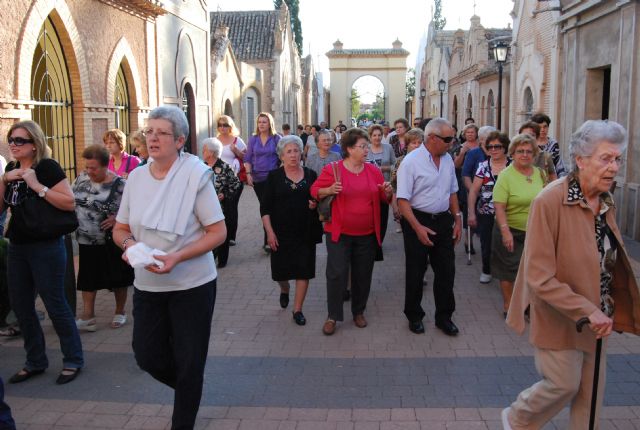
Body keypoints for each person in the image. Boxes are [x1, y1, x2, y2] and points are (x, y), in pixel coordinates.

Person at [502, 120, 639, 429]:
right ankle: (518, 418)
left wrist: (608, 306)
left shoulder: (606, 200)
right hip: (561, 317)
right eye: (605, 158)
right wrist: (587, 310)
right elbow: (539, 277)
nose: (614, 167)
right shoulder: (550, 200)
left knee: (589, 401)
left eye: (617, 159)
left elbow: (608, 259)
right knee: (564, 384)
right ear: (580, 159)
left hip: (599, 318)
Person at [112, 106, 226, 429]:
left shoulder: (195, 175)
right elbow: (119, 229)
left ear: (180, 140)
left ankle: (184, 415)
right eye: (149, 132)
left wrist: (178, 256)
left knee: (190, 360)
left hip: (193, 284)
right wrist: (128, 245)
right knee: (146, 355)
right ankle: (191, 387)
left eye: (161, 133)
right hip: (148, 284)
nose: (152, 138)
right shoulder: (135, 178)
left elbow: (218, 232)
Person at [2, 120, 83, 385]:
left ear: (34, 144)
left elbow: (69, 202)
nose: (13, 145)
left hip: (46, 245)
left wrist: (37, 185)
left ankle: (73, 359)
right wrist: (4, 180)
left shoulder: (47, 167)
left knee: (55, 304)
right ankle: (35, 360)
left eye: (19, 141)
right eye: (11, 140)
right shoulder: (12, 168)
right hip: (18, 245)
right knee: (21, 305)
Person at [310, 128, 393, 335]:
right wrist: (328, 190)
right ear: (349, 148)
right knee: (337, 274)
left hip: (366, 234)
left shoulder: (372, 170)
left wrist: (387, 194)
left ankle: (358, 311)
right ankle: (333, 316)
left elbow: (383, 199)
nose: (366, 150)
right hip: (339, 233)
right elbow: (314, 190)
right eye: (362, 146)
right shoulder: (333, 169)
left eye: (366, 146)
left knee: (363, 274)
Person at [396, 118, 462, 336]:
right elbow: (403, 201)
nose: (452, 143)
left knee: (446, 271)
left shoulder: (448, 160)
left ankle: (444, 317)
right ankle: (414, 315)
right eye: (447, 139)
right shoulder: (411, 162)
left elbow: (452, 191)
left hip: (443, 221)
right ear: (432, 138)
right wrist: (417, 228)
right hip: (417, 220)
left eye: (452, 138)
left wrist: (457, 219)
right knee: (416, 271)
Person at [261, 135, 323, 326]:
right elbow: (265, 209)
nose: (293, 155)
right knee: (280, 273)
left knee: (303, 271)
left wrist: (315, 205)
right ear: (281, 155)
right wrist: (270, 233)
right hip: (280, 232)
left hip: (305, 230)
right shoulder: (273, 177)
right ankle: (285, 289)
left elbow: (320, 200)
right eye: (289, 152)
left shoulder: (311, 175)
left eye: (296, 150)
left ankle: (297, 310)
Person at [72, 145, 134, 332]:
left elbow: (134, 210)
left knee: (118, 278)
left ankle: (120, 311)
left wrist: (116, 219)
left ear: (106, 166)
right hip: (86, 238)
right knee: (87, 279)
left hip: (111, 240)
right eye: (87, 167)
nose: (89, 171)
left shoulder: (120, 185)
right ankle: (88, 316)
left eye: (94, 168)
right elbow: (71, 198)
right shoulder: (81, 179)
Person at [492, 134, 545, 318]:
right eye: (520, 151)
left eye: (529, 151)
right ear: (512, 153)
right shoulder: (506, 176)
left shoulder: (539, 173)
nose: (525, 155)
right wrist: (505, 231)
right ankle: (508, 305)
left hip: (534, 231)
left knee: (531, 269)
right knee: (508, 270)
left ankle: (527, 303)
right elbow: (499, 206)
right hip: (509, 229)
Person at [467, 132, 510, 284]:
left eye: (497, 146)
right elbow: (473, 191)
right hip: (487, 212)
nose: (493, 149)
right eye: (490, 147)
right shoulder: (483, 167)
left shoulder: (512, 166)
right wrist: (471, 213)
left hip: (509, 213)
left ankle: (506, 273)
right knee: (487, 242)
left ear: (504, 147)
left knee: (507, 244)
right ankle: (487, 269)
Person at [202, 138, 241, 268]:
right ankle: (210, 256)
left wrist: (224, 194)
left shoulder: (224, 167)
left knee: (221, 232)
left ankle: (222, 260)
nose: (202, 151)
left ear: (212, 152)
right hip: (204, 207)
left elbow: (236, 184)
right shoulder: (201, 166)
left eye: (205, 149)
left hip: (221, 207)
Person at [244, 112, 281, 253]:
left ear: (269, 123)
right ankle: (269, 237)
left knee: (269, 206)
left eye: (264, 122)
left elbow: (282, 157)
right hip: (258, 178)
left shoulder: (277, 138)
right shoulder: (253, 139)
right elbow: (247, 158)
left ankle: (269, 239)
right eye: (260, 122)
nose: (261, 124)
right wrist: (248, 174)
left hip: (273, 178)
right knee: (265, 206)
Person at [367, 124, 396, 261]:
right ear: (370, 137)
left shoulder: (388, 148)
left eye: (379, 135)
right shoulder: (365, 149)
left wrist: (382, 168)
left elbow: (394, 165)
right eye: (374, 135)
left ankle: (379, 241)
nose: (377, 138)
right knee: (370, 217)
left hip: (384, 187)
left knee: (383, 216)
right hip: (368, 187)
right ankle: (372, 242)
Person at [216, 115, 246, 247]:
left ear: (230, 126)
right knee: (220, 208)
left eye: (225, 125)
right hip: (217, 181)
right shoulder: (214, 141)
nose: (223, 127)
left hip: (234, 180)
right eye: (220, 125)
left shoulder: (237, 141)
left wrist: (237, 151)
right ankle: (221, 235)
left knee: (231, 207)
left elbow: (246, 157)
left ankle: (231, 236)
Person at [391, 128, 425, 233]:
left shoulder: (429, 160)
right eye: (413, 143)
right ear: (407, 145)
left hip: (424, 206)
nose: (417, 145)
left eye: (420, 143)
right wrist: (395, 206)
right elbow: (394, 186)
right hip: (407, 205)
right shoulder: (401, 161)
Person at [453, 123, 480, 254]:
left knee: (478, 210)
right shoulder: (460, 147)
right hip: (464, 182)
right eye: (467, 132)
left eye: (472, 132)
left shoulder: (482, 146)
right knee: (468, 210)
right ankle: (467, 240)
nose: (470, 134)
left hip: (480, 181)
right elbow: (456, 165)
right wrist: (462, 153)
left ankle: (473, 235)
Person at [531, 112, 567, 177]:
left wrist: (562, 180)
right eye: (539, 127)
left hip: (549, 179)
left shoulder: (553, 144)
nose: (542, 130)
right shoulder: (530, 143)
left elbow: (558, 164)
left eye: (545, 127)